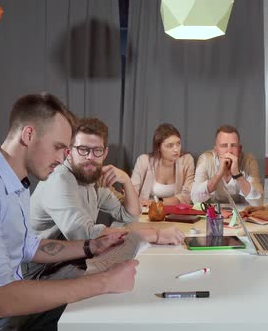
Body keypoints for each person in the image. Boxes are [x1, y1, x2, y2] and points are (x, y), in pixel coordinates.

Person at [0, 94, 139, 331]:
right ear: (28, 135)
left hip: (0, 319)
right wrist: (104, 282)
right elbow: (0, 299)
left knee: (103, 310)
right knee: (100, 305)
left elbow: (27, 246)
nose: (61, 159)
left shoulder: (16, 182)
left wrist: (91, 246)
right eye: (58, 147)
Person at [27, 118, 184, 279]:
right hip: (39, 270)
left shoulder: (92, 177)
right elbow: (83, 235)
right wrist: (154, 234)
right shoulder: (59, 180)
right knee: (125, 281)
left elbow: (130, 215)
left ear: (105, 153)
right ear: (69, 152)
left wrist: (126, 180)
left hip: (69, 261)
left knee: (141, 273)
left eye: (97, 150)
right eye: (83, 150)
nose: (90, 157)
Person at [191, 125, 263, 206]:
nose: (229, 151)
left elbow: (258, 202)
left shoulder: (249, 161)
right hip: (213, 213)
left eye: (233, 145)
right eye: (224, 146)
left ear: (239, 149)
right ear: (216, 150)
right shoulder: (206, 159)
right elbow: (196, 199)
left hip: (242, 214)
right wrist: (219, 174)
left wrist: (237, 174)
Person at [131, 123, 195, 205]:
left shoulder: (187, 160)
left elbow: (187, 196)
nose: (176, 149)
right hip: (146, 212)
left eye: (178, 143)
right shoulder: (144, 161)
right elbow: (131, 194)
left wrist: (156, 203)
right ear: (158, 148)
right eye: (169, 146)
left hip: (175, 214)